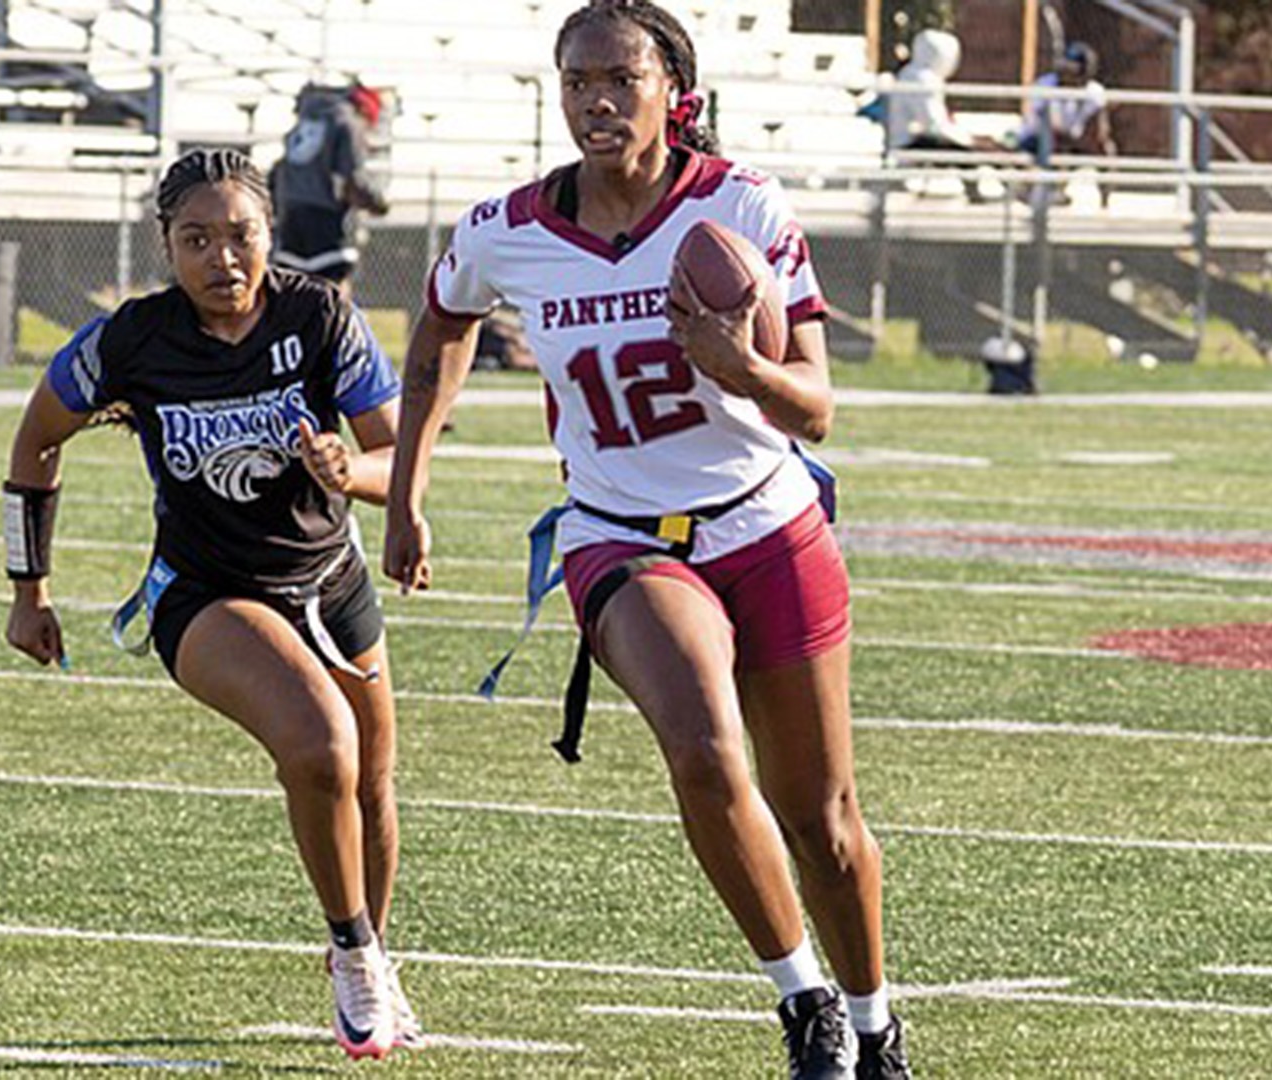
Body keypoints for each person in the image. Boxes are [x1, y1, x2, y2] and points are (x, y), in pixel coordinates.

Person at [384, 3, 909, 1077]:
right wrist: (406, 486)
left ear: (675, 91)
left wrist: (742, 368)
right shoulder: (508, 229)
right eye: (577, 81)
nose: (597, 101)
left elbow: (815, 409)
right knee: (706, 751)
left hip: (765, 519)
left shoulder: (740, 207)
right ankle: (804, 1001)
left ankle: (873, 1025)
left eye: (621, 79)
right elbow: (441, 320)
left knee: (824, 822)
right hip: (620, 534)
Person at [3, 149, 417, 1062]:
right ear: (166, 245)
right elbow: (35, 441)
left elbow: (399, 459)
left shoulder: (320, 315)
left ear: (271, 233)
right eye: (197, 239)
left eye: (241, 235)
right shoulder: (130, 339)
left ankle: (373, 952)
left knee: (371, 782)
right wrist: (28, 590)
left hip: (331, 581)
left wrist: (352, 469)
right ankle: (353, 952)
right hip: (208, 593)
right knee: (321, 744)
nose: (222, 258)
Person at [270, 82, 389, 288]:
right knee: (334, 291)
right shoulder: (347, 122)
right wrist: (378, 204)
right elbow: (352, 182)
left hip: (290, 220)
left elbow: (278, 173)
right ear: (364, 110)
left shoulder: (303, 122)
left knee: (293, 290)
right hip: (326, 219)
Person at [1016, 42, 1115, 161]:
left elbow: (1100, 131)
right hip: (1039, 141)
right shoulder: (1047, 84)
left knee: (1107, 147)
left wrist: (1099, 141)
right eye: (1065, 68)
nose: (1066, 74)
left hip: (1075, 143)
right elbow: (1037, 123)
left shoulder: (1094, 91)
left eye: (1073, 71)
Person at [884, 27, 971, 155]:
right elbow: (932, 124)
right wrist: (968, 141)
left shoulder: (911, 74)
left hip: (906, 141)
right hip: (909, 144)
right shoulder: (921, 79)